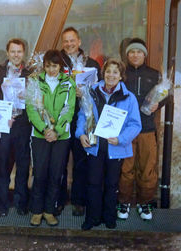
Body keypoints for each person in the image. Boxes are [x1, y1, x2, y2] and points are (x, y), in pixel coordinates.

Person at [76, 58, 141, 230]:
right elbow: (83, 115)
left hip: (116, 148)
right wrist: (81, 134)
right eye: (108, 71)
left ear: (121, 76)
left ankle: (109, 217)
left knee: (112, 184)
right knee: (93, 183)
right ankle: (92, 218)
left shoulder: (129, 97)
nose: (111, 75)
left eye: (115, 72)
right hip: (95, 146)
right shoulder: (92, 92)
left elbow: (135, 124)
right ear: (103, 74)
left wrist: (121, 139)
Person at [26, 50, 76, 227]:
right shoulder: (35, 81)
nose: (51, 69)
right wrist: (44, 128)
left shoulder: (68, 82)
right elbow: (31, 108)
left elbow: (69, 109)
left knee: (56, 174)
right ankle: (37, 211)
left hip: (61, 137)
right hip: (40, 135)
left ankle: (49, 210)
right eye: (48, 66)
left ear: (60, 66)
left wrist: (57, 131)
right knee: (40, 173)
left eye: (54, 66)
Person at [117, 38, 164, 221]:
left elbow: (166, 95)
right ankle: (124, 201)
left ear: (144, 54)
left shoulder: (154, 74)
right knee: (126, 168)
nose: (135, 55)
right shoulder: (122, 73)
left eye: (139, 52)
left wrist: (158, 104)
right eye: (131, 52)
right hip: (126, 130)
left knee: (147, 168)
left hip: (146, 129)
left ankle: (145, 202)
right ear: (127, 55)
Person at [58, 26, 102, 216]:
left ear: (79, 41)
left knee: (81, 161)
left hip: (84, 118)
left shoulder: (91, 64)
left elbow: (99, 91)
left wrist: (85, 92)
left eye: (72, 40)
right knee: (58, 161)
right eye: (66, 41)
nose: (69, 44)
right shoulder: (55, 61)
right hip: (59, 118)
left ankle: (78, 200)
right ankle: (58, 199)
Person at [0, 38, 31, 217]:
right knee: (2, 163)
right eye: (13, 51)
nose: (16, 55)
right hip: (3, 124)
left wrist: (28, 96)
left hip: (22, 125)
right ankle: (1, 203)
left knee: (23, 164)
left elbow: (36, 101)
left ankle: (21, 202)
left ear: (24, 54)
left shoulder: (30, 74)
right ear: (7, 53)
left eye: (19, 52)